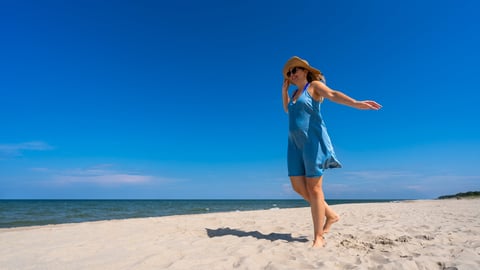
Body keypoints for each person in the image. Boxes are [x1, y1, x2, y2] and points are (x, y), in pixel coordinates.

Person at [281, 56, 382, 247]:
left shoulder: (314, 87)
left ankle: (318, 236)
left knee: (314, 188)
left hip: (313, 143)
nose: (292, 74)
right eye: (289, 73)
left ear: (304, 71)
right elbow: (287, 109)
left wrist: (356, 103)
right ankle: (331, 215)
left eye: (295, 70)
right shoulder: (294, 94)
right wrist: (284, 90)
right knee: (297, 186)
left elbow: (333, 94)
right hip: (294, 145)